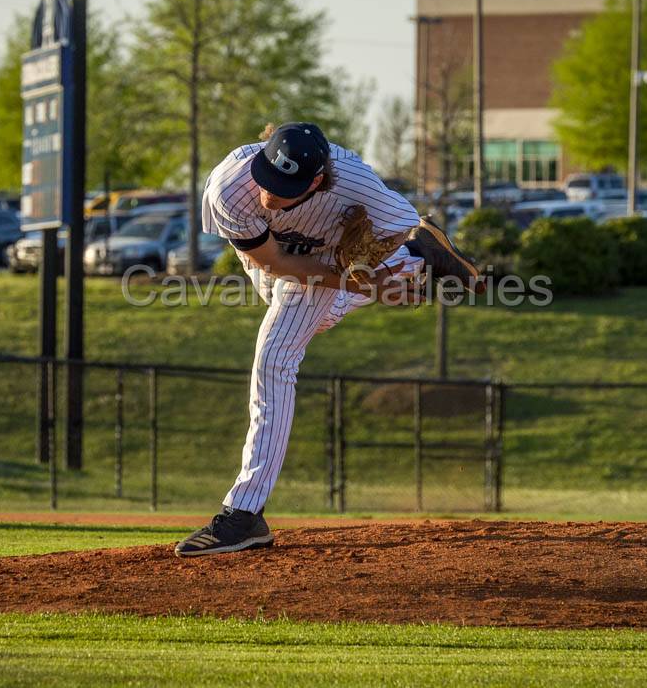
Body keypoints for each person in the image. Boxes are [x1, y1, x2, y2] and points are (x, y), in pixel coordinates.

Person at [175, 122, 481, 557]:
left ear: (316, 181)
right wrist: (362, 286)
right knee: (310, 319)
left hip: (326, 244)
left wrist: (372, 262)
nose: (269, 193)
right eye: (266, 177)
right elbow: (277, 262)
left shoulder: (356, 185)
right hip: (275, 252)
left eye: (284, 187)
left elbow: (400, 220)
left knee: (276, 355)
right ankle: (420, 258)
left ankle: (242, 515)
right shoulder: (230, 188)